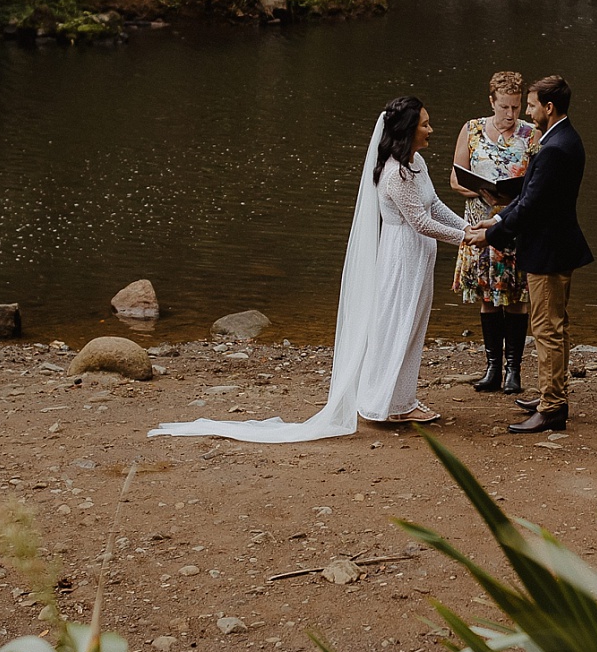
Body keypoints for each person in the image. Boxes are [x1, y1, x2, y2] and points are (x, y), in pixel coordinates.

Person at [151, 95, 466, 441]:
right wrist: (467, 240)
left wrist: (468, 228)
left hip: (419, 257)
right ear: (408, 130)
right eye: (425, 124)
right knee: (396, 327)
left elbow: (433, 204)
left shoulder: (415, 163)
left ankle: (401, 398)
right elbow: (420, 222)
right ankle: (385, 403)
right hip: (402, 257)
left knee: (412, 326)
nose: (431, 129)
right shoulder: (396, 174)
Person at [465, 73, 589, 433]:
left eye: (531, 105)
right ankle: (554, 393)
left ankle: (552, 407)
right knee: (555, 326)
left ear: (548, 108)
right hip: (555, 245)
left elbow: (532, 204)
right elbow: (530, 195)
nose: (527, 111)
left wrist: (492, 235)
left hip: (549, 250)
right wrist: (497, 219)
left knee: (548, 329)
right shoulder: (560, 138)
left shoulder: (553, 147)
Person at [448, 71, 538, 396]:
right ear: (492, 102)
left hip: (514, 226)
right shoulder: (472, 129)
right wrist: (479, 193)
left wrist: (514, 196)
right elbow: (456, 178)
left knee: (516, 298)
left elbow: (540, 181)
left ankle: (514, 371)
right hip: (478, 224)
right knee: (488, 297)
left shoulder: (531, 134)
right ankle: (492, 368)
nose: (510, 114)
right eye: (504, 107)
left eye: (515, 107)